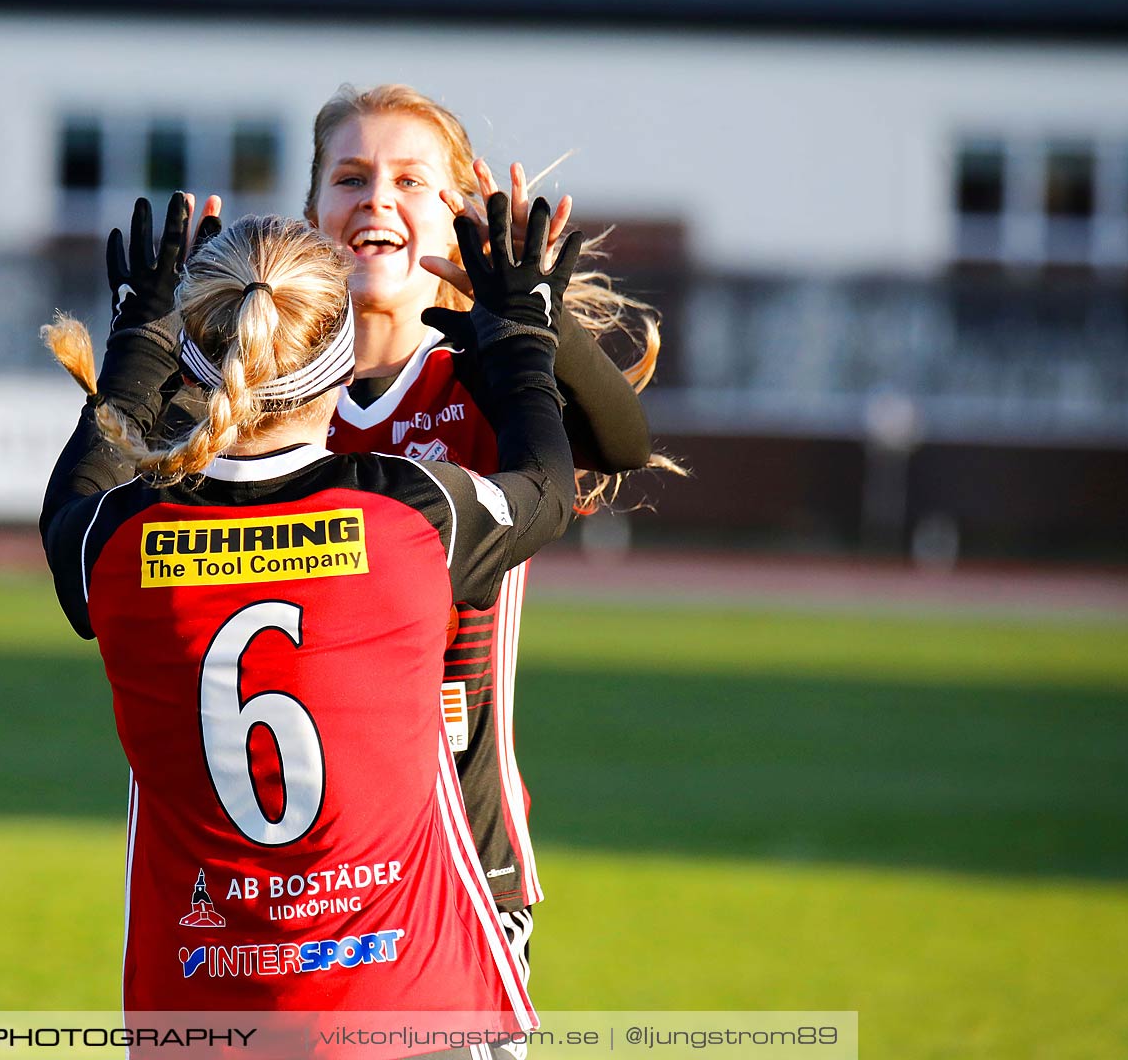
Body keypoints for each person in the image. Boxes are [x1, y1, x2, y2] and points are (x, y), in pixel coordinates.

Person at [42, 193, 577, 1053]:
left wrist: (139, 339)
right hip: (413, 1005)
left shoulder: (112, 540)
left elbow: (76, 493)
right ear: (338, 367)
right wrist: (519, 328)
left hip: (202, 1021)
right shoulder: (409, 512)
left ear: (195, 359)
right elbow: (549, 491)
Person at [302, 84, 680, 988]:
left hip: (456, 850)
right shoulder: (270, 397)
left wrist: (529, 323)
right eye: (349, 177)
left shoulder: (481, 378)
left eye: (409, 180)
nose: (376, 199)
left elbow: (620, 441)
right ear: (310, 214)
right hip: (286, 863)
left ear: (458, 209)